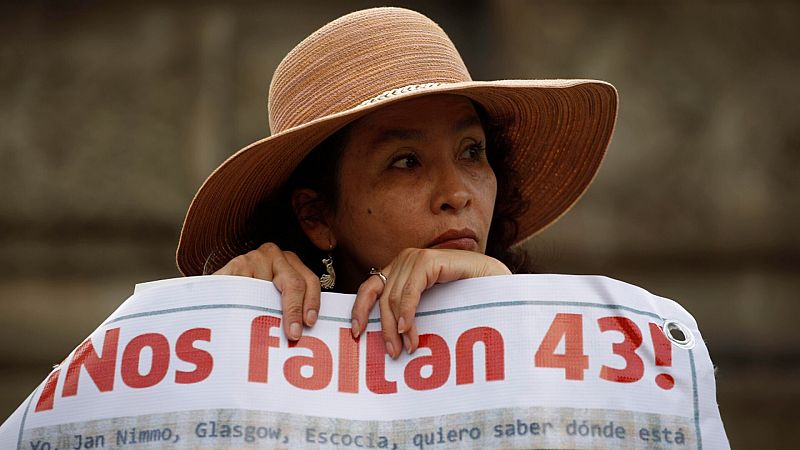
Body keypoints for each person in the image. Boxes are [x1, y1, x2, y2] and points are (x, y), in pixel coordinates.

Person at [175, 7, 617, 360]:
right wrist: (222, 325)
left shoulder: (592, 347)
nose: (456, 193)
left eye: (471, 151)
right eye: (405, 161)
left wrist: (506, 303)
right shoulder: (258, 338)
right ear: (316, 215)